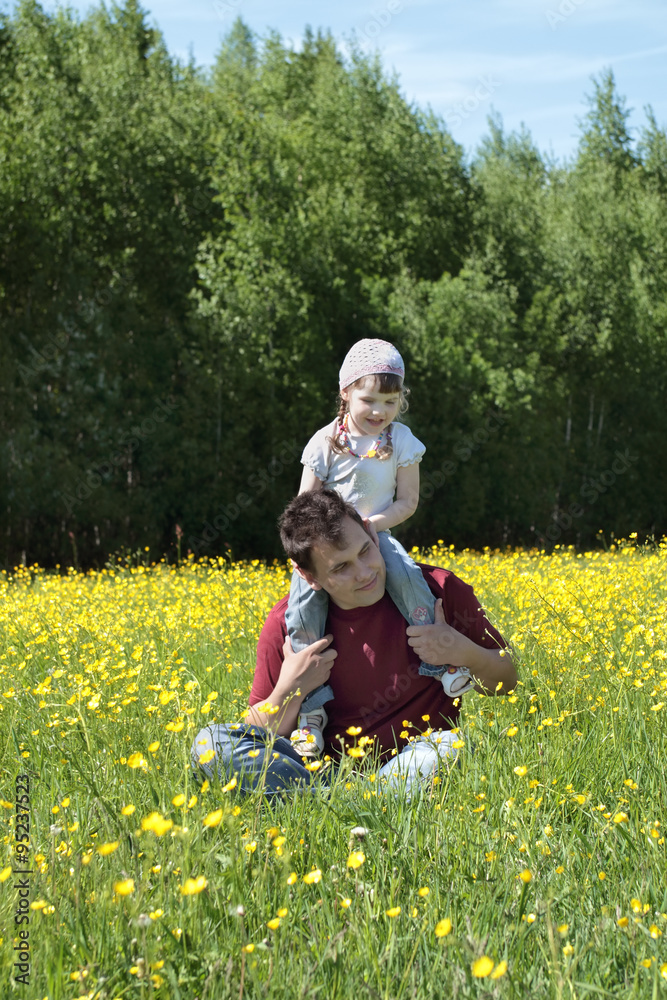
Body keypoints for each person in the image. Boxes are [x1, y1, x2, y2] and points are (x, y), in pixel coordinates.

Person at [190, 490, 517, 795]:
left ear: (372, 534)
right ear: (309, 577)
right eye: (342, 567)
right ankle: (353, 803)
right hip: (320, 771)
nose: (364, 573)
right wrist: (293, 687)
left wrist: (461, 650)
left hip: (415, 759)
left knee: (448, 749)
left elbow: (507, 680)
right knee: (211, 746)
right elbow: (259, 735)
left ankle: (330, 806)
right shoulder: (287, 625)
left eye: (365, 551)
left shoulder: (437, 592)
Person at [285, 338, 473, 759]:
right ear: (345, 393)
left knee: (407, 576)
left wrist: (371, 525)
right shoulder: (324, 442)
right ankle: (311, 713)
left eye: (390, 401)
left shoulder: (401, 441)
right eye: (369, 399)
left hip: (374, 536)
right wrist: (309, 556)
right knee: (302, 607)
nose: (379, 411)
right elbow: (304, 507)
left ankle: (441, 664)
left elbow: (407, 502)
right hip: (327, 548)